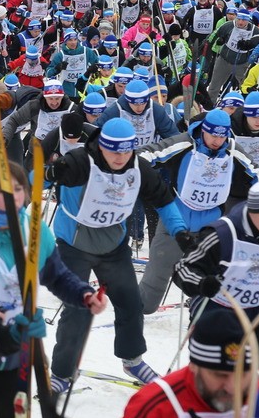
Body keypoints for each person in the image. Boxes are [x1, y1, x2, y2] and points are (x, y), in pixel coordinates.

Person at [43, 116, 193, 392]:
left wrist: (180, 231)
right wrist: (47, 174)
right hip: (74, 243)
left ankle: (132, 359)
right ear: (102, 146)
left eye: (126, 150)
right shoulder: (80, 161)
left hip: (112, 246)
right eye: (115, 150)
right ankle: (62, 373)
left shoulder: (139, 168)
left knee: (131, 303)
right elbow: (44, 179)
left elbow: (164, 201)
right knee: (79, 307)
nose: (121, 157)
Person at [0, 158, 106, 418]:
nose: (14, 197)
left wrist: (84, 295)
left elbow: (56, 275)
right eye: (4, 190)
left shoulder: (33, 229)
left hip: (17, 348)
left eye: (19, 189)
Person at [137, 108, 259, 314]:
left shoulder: (232, 150)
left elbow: (258, 172)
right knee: (154, 284)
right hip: (175, 221)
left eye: (222, 137)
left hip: (210, 229)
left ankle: (206, 317)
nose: (217, 141)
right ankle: (135, 310)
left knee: (208, 282)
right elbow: (149, 153)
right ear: (204, 130)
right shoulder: (185, 143)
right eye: (213, 135)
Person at [173, 180, 259, 380]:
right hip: (217, 312)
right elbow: (182, 268)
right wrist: (202, 284)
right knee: (218, 381)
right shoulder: (223, 233)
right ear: (252, 210)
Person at [114, 309, 259, 418]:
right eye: (219, 375)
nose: (232, 387)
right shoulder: (154, 408)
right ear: (193, 366)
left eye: (241, 375)